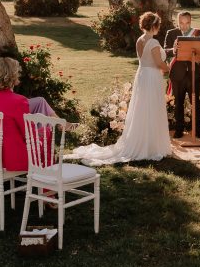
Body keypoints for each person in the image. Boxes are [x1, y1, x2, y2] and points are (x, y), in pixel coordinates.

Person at [70, 12, 173, 165]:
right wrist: (170, 67)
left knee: (142, 109)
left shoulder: (140, 40)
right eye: (158, 25)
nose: (159, 28)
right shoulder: (154, 43)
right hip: (151, 77)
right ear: (153, 26)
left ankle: (142, 141)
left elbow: (145, 60)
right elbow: (158, 64)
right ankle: (151, 146)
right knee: (152, 108)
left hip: (142, 74)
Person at [0, 57, 36, 171]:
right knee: (46, 134)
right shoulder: (19, 101)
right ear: (13, 76)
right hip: (10, 159)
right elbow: (29, 134)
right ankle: (48, 186)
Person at [163, 11, 200, 139]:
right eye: (181, 23)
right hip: (177, 74)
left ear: (190, 21)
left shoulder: (198, 33)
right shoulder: (171, 33)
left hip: (194, 73)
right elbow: (165, 51)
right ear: (178, 22)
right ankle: (179, 129)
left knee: (195, 102)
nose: (184, 26)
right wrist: (174, 49)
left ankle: (198, 129)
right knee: (178, 103)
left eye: (187, 23)